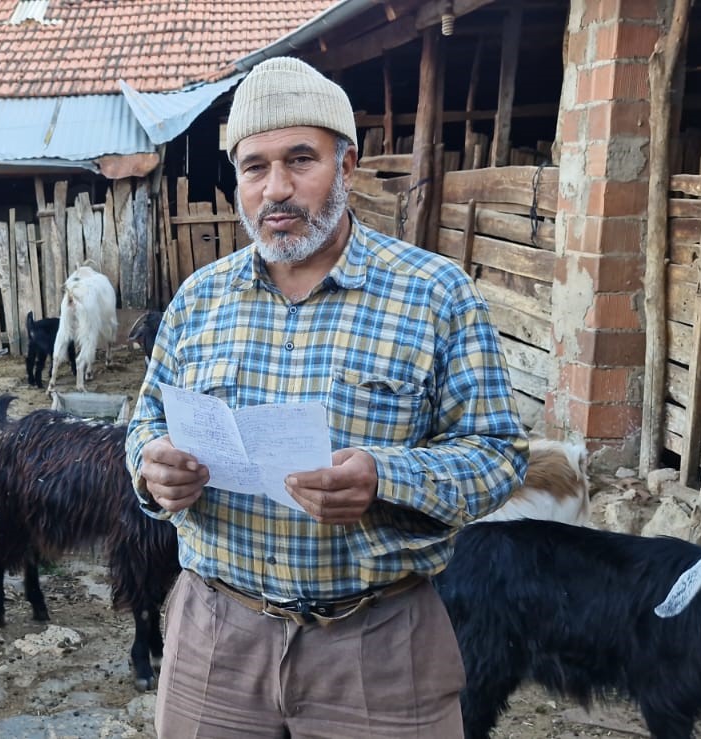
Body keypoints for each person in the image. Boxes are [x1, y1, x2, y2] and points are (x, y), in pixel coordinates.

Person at [124, 57, 529, 738]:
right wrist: (152, 466)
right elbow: (146, 423)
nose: (276, 189)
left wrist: (386, 477)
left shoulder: (434, 294)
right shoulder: (198, 299)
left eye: (300, 160)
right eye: (255, 166)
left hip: (379, 643)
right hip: (216, 637)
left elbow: (498, 454)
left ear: (346, 167)